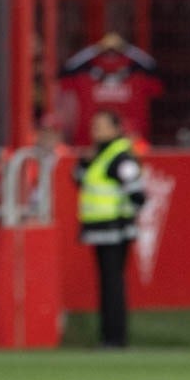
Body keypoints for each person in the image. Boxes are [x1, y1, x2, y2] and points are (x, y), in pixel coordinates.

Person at [75, 108, 147, 350]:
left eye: (101, 125)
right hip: (100, 229)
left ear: (116, 129)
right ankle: (109, 337)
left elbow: (137, 194)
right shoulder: (99, 154)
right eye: (94, 125)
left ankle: (115, 338)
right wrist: (83, 162)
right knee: (107, 284)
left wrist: (124, 215)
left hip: (115, 229)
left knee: (113, 284)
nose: (95, 130)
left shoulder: (120, 156)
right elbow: (80, 179)